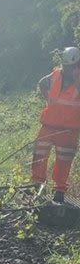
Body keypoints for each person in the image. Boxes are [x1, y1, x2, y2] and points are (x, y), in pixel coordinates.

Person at [32, 46, 80, 203]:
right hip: (49, 124)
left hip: (69, 129)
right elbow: (42, 83)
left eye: (71, 67)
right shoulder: (56, 75)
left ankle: (59, 191)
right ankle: (37, 184)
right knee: (39, 153)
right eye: (65, 66)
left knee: (64, 160)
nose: (67, 70)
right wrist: (48, 100)